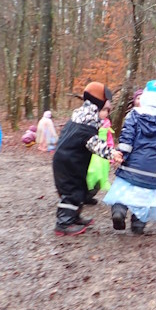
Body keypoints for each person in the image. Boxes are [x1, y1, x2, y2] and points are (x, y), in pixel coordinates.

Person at [52, 82, 123, 236]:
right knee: (72, 192)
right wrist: (112, 153)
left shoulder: (81, 119)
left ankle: (74, 218)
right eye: (105, 110)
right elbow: (95, 144)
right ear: (96, 107)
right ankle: (63, 223)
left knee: (80, 189)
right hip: (67, 164)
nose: (107, 114)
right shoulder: (85, 127)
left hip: (72, 163)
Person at [103, 80, 156, 235]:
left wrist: (122, 154)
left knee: (124, 189)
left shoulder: (134, 114)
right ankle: (138, 224)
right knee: (145, 196)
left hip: (131, 164)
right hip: (151, 167)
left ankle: (119, 211)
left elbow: (127, 137)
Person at [85, 115, 115, 204]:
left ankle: (89, 195)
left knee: (100, 177)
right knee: (89, 174)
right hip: (91, 154)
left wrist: (111, 155)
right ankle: (83, 194)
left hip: (102, 156)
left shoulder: (107, 124)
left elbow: (110, 141)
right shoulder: (90, 121)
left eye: (107, 110)